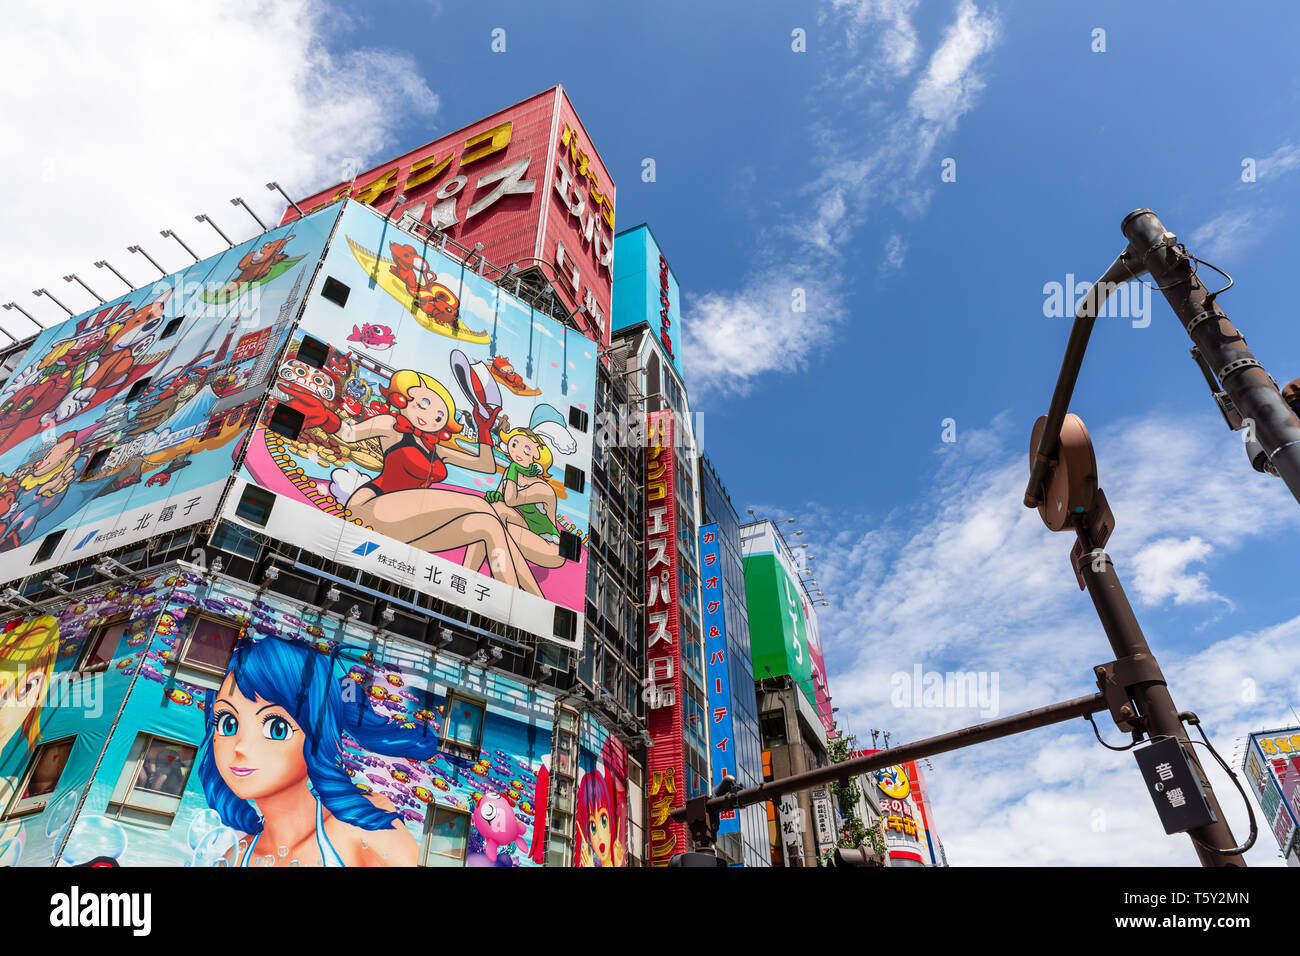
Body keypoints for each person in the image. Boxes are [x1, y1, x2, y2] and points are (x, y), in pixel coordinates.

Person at [287, 367, 544, 596]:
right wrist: (324, 417)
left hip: (408, 525)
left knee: (487, 525)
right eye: (422, 404)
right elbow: (349, 433)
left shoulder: (436, 448)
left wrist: (484, 430)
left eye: (439, 415)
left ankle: (525, 602)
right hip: (371, 508)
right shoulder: (391, 425)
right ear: (404, 398)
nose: (429, 416)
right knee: (484, 507)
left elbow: (485, 465)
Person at [198, 636, 440, 867]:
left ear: (318, 735)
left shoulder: (362, 826)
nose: (240, 747)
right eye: (227, 723)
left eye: (277, 728)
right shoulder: (236, 856)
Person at [485, 427, 565, 570]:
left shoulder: (542, 488)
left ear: (536, 458)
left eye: (527, 450)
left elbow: (511, 500)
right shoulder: (511, 473)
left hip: (550, 546)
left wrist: (514, 469)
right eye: (514, 444)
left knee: (496, 528)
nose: (517, 452)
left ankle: (501, 572)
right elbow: (501, 501)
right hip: (526, 528)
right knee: (495, 512)